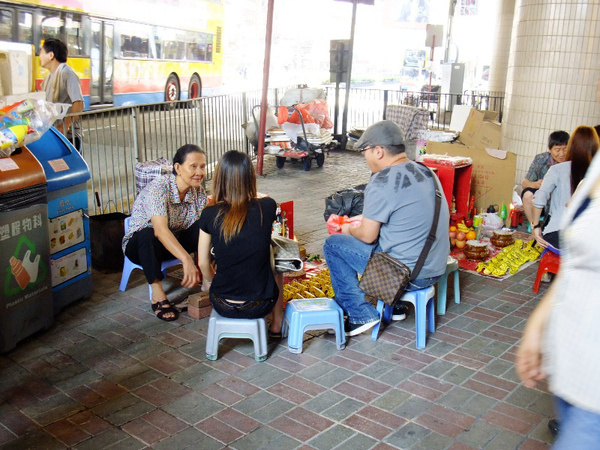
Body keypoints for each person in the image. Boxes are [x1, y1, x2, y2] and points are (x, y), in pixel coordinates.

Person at [323, 120, 450, 337]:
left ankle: (359, 315)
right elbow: (402, 213)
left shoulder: (383, 181)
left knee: (334, 245)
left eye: (365, 151)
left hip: (408, 276)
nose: (365, 158)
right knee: (395, 237)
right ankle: (396, 306)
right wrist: (361, 219)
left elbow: (367, 236)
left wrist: (347, 229)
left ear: (379, 151)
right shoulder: (426, 172)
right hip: (435, 269)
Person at [516, 133, 600, 449]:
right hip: (572, 369)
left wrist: (535, 228)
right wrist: (538, 325)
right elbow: (580, 258)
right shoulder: (593, 168)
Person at [197, 150, 284, 337]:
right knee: (275, 263)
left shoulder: (209, 214)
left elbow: (203, 262)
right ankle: (277, 324)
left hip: (222, 303)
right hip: (259, 305)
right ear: (250, 178)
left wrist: (210, 282)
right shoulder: (267, 207)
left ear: (220, 178)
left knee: (213, 271)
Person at [123, 144, 207, 321]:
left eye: (202, 166)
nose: (199, 172)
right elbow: (160, 231)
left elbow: (203, 228)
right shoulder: (159, 187)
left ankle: (210, 280)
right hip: (142, 247)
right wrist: (186, 260)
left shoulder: (198, 192)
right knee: (148, 233)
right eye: (193, 166)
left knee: (208, 224)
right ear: (177, 167)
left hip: (175, 241)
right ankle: (157, 293)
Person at [531, 126, 599, 249]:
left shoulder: (558, 169)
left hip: (557, 234)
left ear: (571, 146)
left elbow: (540, 197)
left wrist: (536, 226)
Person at [39, 38, 84, 151]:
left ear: (51, 55)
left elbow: (79, 103)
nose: (39, 56)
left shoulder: (67, 73)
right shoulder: (49, 77)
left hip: (69, 137)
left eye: (41, 52)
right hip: (56, 135)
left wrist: (65, 126)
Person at [521, 131, 570, 229]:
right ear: (550, 149)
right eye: (557, 150)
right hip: (542, 200)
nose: (561, 154)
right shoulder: (541, 159)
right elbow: (525, 183)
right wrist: (536, 185)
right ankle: (533, 226)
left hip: (561, 202)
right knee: (527, 195)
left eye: (565, 149)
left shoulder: (571, 162)